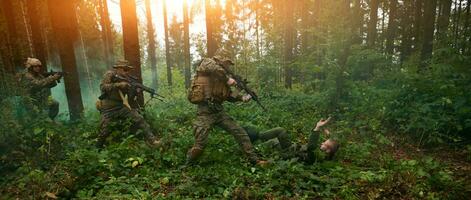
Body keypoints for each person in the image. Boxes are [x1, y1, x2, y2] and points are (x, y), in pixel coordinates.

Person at [186, 48, 267, 166]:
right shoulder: (208, 63)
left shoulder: (222, 76)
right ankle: (187, 164)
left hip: (219, 112)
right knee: (200, 145)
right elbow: (214, 68)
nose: (229, 66)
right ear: (220, 59)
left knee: (240, 133)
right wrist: (228, 79)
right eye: (227, 63)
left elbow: (228, 95)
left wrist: (241, 97)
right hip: (205, 112)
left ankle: (255, 160)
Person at [96, 60, 160, 148]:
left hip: (121, 106)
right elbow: (102, 87)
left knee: (139, 118)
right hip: (108, 108)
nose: (126, 72)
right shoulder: (110, 75)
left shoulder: (128, 80)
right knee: (104, 131)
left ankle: (152, 140)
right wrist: (118, 85)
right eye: (125, 69)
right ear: (118, 68)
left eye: (127, 70)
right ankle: (97, 149)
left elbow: (130, 98)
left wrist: (135, 91)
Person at [244, 117, 339, 163]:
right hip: (292, 149)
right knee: (273, 142)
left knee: (280, 131)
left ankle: (255, 136)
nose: (322, 142)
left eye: (324, 144)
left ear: (328, 150)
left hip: (291, 152)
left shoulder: (318, 154)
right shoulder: (324, 153)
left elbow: (311, 146)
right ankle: (253, 148)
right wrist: (326, 130)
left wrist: (317, 128)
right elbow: (332, 141)